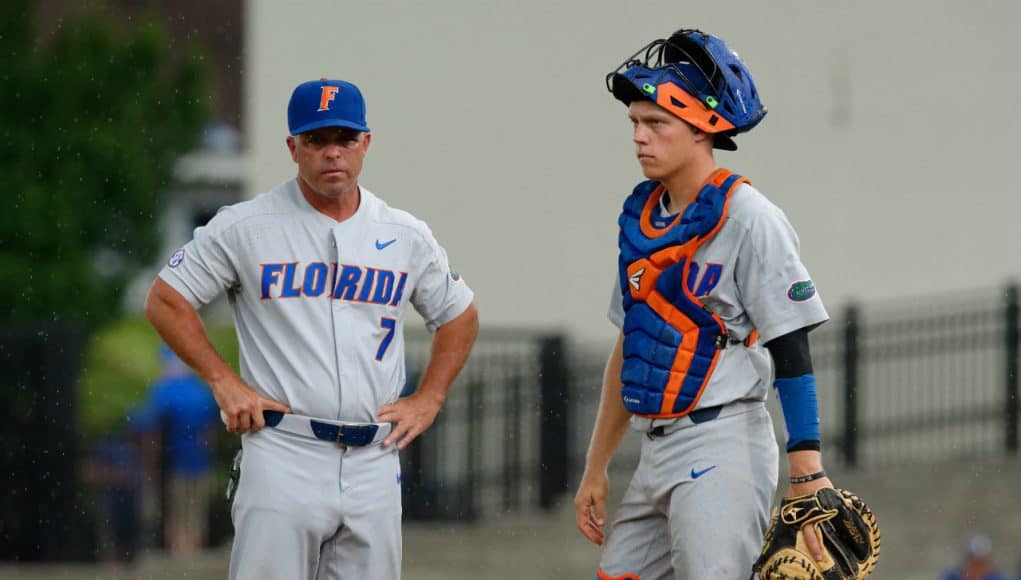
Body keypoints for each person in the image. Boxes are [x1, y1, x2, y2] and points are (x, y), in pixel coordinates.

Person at [144, 77, 479, 579]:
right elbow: (166, 299)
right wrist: (224, 382)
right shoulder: (246, 226)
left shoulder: (404, 234)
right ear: (292, 147)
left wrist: (429, 396)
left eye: (344, 139)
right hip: (285, 450)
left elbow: (459, 315)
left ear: (366, 143)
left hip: (373, 456)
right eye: (316, 140)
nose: (332, 154)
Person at [573, 28, 838, 578]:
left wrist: (807, 470)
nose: (639, 137)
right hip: (655, 449)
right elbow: (633, 347)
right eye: (635, 123)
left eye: (656, 123)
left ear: (702, 130)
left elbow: (792, 346)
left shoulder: (750, 217)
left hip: (723, 444)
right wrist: (596, 467)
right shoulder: (643, 221)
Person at [130, 345, 220, 556]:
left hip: (173, 464)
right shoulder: (202, 391)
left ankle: (179, 551)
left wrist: (150, 465)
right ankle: (193, 549)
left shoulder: (162, 392)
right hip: (200, 462)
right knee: (197, 509)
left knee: (175, 509)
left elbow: (152, 432)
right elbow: (211, 432)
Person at [941, 534, 1008, 580]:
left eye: (981, 564)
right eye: (974, 564)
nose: (977, 569)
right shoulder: (952, 576)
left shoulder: (997, 578)